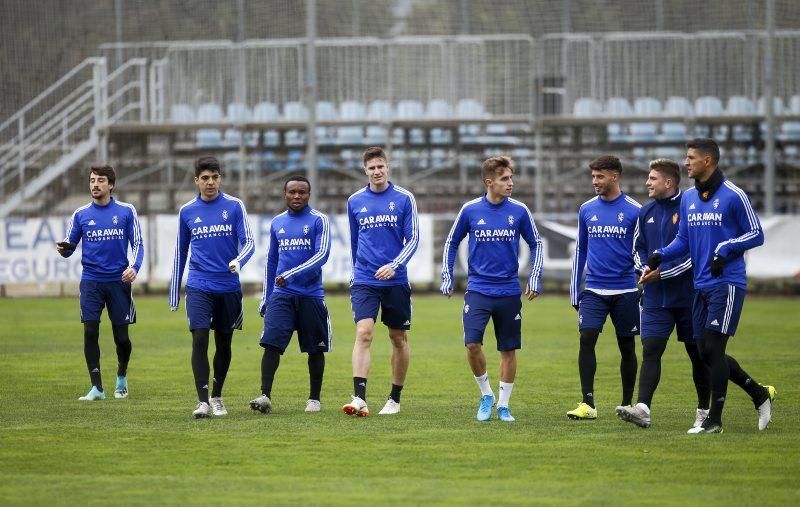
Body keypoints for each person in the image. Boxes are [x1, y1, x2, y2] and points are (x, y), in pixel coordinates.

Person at [646, 138, 775, 434]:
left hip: (726, 283)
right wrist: (661, 255)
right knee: (704, 351)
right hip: (700, 284)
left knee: (714, 348)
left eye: (691, 157)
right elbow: (684, 241)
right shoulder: (689, 198)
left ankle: (714, 420)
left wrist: (726, 248)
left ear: (708, 161)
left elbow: (756, 234)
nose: (686, 162)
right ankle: (758, 393)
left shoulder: (733, 195)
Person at [440, 156, 543, 422]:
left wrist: (534, 277)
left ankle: (504, 404)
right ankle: (486, 394)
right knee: (472, 344)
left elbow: (536, 244)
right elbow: (452, 242)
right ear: (489, 182)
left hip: (509, 291)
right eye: (504, 179)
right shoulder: (471, 210)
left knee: (508, 349)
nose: (510, 183)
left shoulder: (520, 210)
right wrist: (447, 275)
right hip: (477, 290)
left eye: (511, 178)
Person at [615, 159, 710, 429]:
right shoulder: (645, 212)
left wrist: (663, 273)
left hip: (688, 296)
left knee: (697, 353)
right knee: (652, 349)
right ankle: (643, 408)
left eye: (652, 178)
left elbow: (694, 253)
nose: (647, 182)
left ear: (668, 182)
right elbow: (637, 248)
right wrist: (644, 269)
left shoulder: (690, 208)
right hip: (656, 297)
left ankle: (704, 410)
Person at [169, 156, 255, 419]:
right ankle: (203, 401)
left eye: (214, 177)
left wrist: (238, 262)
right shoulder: (187, 211)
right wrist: (174, 292)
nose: (210, 182)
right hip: (198, 284)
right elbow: (180, 253)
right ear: (196, 180)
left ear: (220, 178)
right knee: (199, 337)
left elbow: (249, 242)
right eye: (204, 178)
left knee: (224, 342)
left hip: (228, 285)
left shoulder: (234, 206)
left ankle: (217, 396)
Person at [342, 147, 419, 417]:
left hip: (395, 280)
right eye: (371, 168)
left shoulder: (404, 198)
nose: (376, 171)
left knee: (398, 337)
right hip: (364, 279)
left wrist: (395, 265)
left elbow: (413, 240)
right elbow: (354, 241)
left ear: (388, 167)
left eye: (380, 166)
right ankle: (359, 397)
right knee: (363, 333)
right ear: (365, 171)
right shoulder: (354, 201)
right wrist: (356, 270)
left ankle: (394, 399)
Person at [58, 163, 143, 401]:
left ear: (111, 185)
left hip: (118, 282)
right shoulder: (81, 214)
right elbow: (70, 246)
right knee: (90, 330)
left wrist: (134, 267)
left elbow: (138, 244)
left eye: (101, 180)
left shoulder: (127, 211)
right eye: (92, 180)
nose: (95, 184)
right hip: (91, 282)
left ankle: (122, 376)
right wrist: (64, 249)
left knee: (122, 339)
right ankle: (97, 387)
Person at [249, 176, 332, 415]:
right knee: (271, 344)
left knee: (315, 349)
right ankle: (265, 396)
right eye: (292, 192)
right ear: (285, 194)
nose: (297, 196)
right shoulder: (277, 223)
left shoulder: (319, 220)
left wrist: (292, 273)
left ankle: (314, 399)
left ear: (309, 194)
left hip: (311, 296)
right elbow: (272, 261)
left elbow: (322, 255)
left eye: (302, 192)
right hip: (282, 295)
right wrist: (267, 296)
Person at [568, 155, 641, 420]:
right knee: (586, 337)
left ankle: (627, 404)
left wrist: (640, 282)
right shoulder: (587, 209)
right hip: (594, 290)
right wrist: (575, 288)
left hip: (625, 290)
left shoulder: (635, 210)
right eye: (593, 177)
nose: (595, 182)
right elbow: (581, 250)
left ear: (615, 176)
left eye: (600, 176)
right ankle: (587, 403)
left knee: (627, 347)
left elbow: (640, 252)